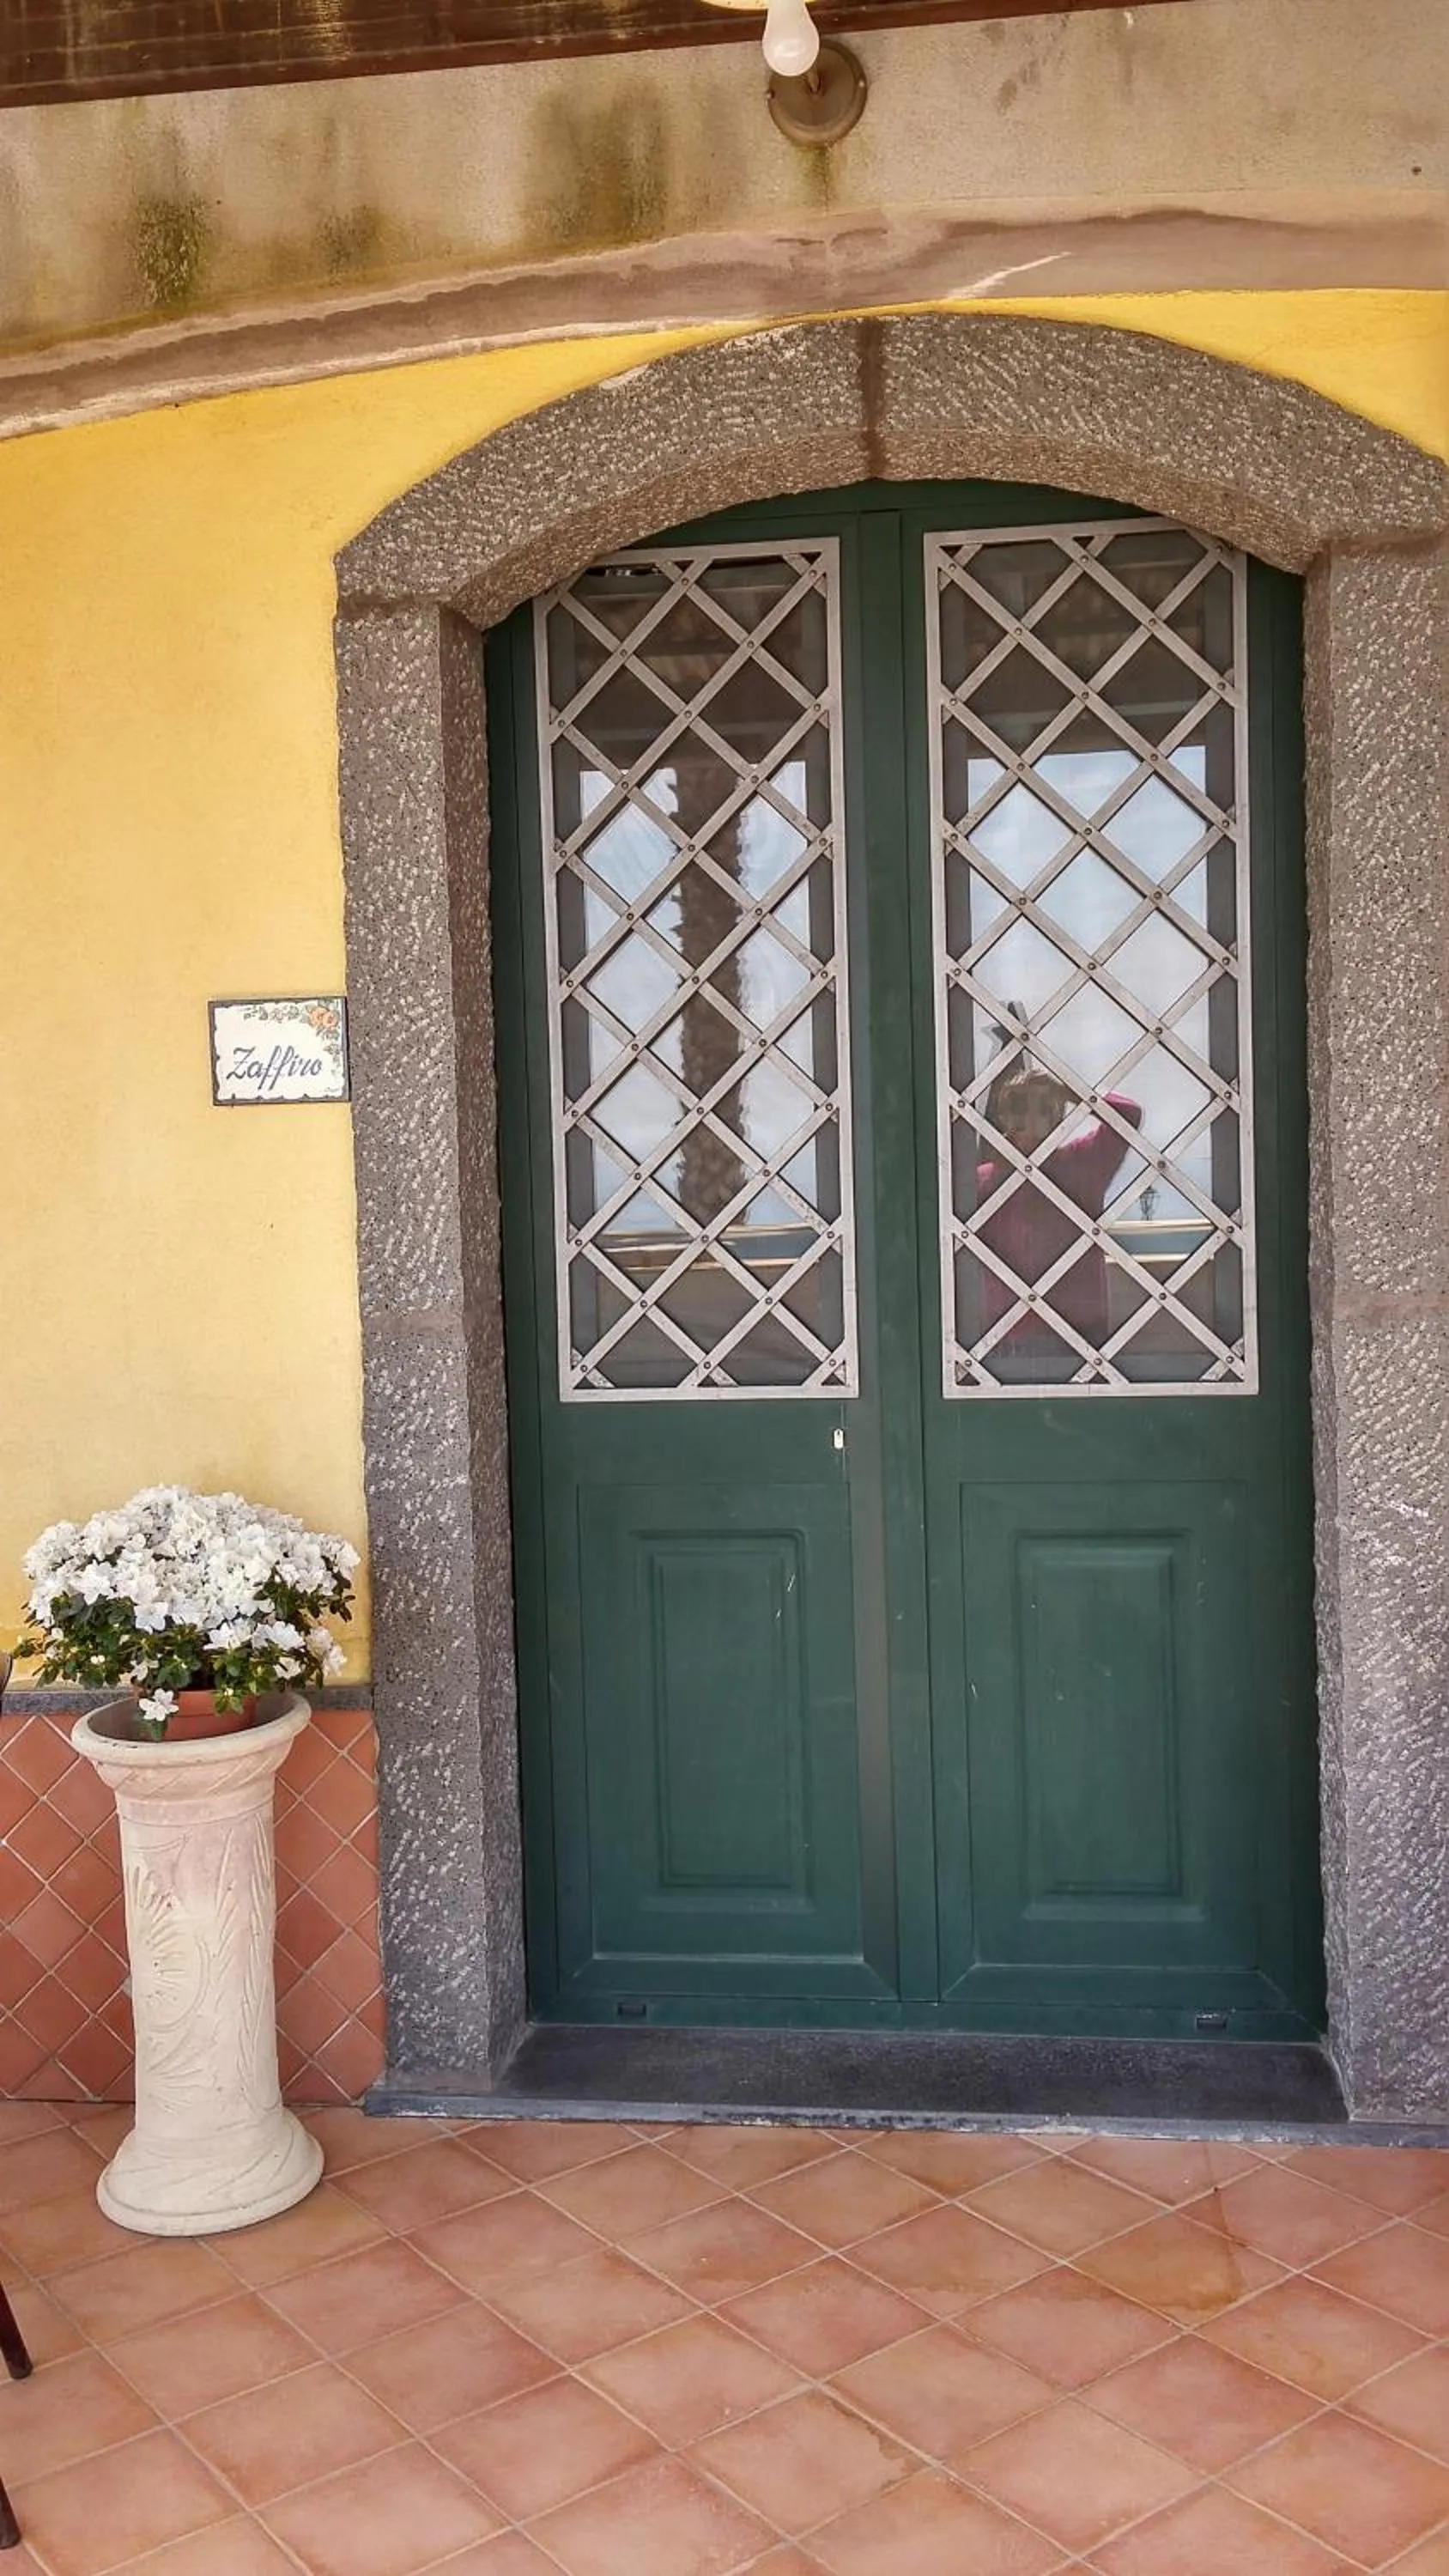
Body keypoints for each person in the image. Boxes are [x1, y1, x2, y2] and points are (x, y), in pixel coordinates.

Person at [974, 1053, 1143, 1364]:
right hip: (1008, 1334)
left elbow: (1128, 1115)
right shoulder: (984, 1180)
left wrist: (1071, 1091)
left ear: (1058, 1115)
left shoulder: (1082, 1162)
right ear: (1004, 1115)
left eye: (1043, 1107)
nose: (1030, 1117)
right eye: (1019, 1106)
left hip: (1077, 1336)